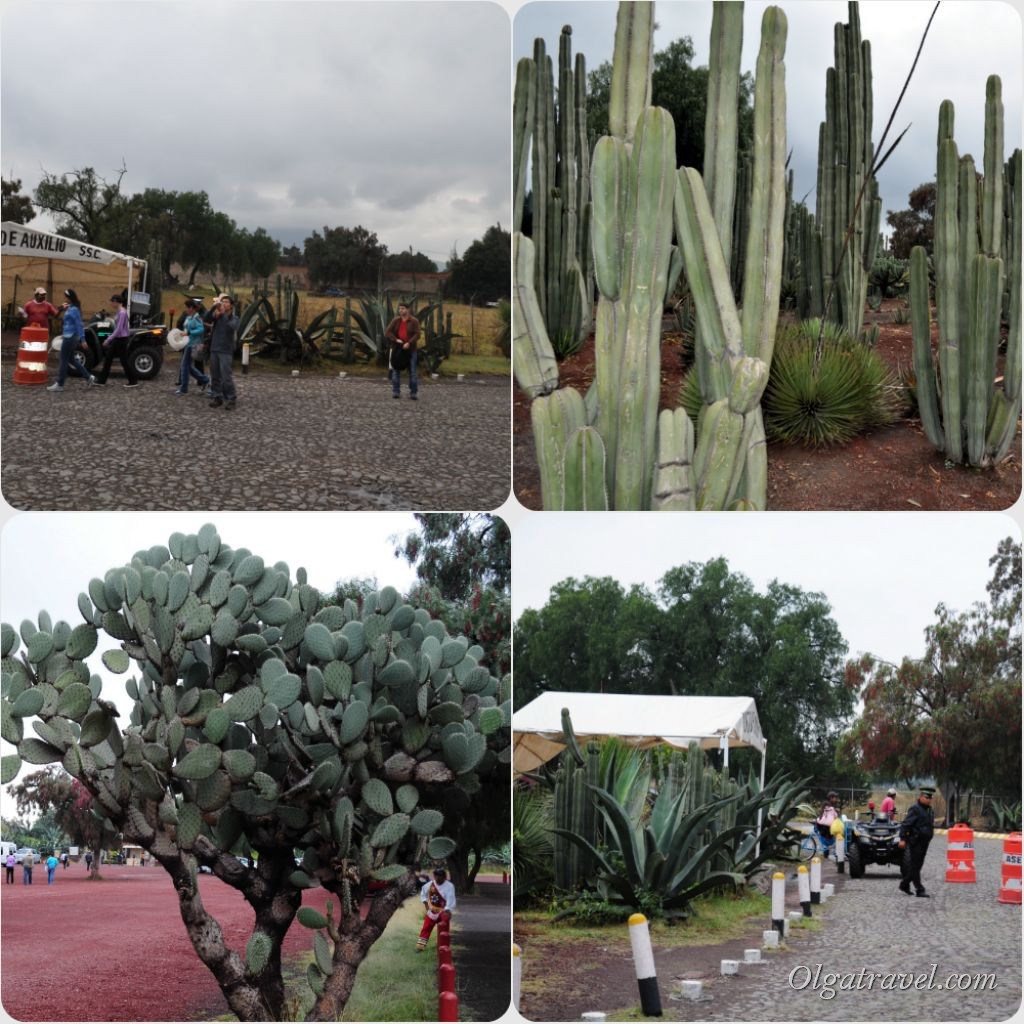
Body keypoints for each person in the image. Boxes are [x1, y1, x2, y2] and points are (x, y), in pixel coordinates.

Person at [47, 288, 96, 392]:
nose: (64, 298)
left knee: (63, 359)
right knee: (71, 360)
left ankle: (60, 384)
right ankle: (88, 377)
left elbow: (79, 325)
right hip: (69, 336)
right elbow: (59, 313)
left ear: (69, 298)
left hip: (70, 337)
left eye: (65, 297)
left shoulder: (74, 310)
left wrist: (83, 340)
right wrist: (62, 308)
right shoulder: (71, 308)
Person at [92, 293, 139, 387]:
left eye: (112, 302)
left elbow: (119, 329)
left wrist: (108, 339)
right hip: (119, 339)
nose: (111, 304)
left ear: (117, 302)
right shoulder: (119, 312)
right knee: (111, 359)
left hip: (121, 339)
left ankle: (132, 381)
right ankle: (102, 380)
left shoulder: (122, 313)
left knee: (121, 361)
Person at [898, 785, 935, 897]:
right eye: (926, 797)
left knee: (918, 866)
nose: (928, 799)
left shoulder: (929, 810)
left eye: (930, 798)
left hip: (925, 842)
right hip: (916, 842)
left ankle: (904, 884)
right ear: (921, 797)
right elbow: (906, 824)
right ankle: (920, 889)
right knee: (915, 866)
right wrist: (903, 839)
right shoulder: (915, 809)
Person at [208, 295, 239, 410]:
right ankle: (217, 397)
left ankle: (231, 399)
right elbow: (206, 319)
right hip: (214, 349)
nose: (224, 304)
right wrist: (213, 308)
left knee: (226, 377)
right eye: (222, 302)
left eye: (226, 302)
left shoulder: (234, 318)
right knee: (215, 376)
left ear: (231, 305)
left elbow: (231, 327)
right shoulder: (217, 316)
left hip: (225, 351)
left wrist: (223, 314)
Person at [384, 303, 420, 400]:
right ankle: (396, 391)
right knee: (396, 370)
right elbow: (387, 332)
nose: (400, 310)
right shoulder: (396, 320)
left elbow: (417, 334)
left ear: (408, 310)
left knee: (412, 371)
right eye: (399, 308)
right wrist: (395, 340)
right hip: (398, 349)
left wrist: (409, 343)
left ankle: (413, 392)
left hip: (411, 350)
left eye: (403, 308)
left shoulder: (414, 321)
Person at [176, 299, 211, 395]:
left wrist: (189, 333)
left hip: (193, 344)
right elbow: (186, 328)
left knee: (185, 366)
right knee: (187, 367)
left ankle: (184, 389)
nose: (186, 309)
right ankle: (205, 380)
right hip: (188, 343)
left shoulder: (196, 318)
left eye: (187, 307)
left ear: (191, 308)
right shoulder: (189, 317)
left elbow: (201, 329)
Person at [416, 867, 456, 951]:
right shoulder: (430, 884)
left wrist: (448, 910)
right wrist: (425, 903)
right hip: (432, 911)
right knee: (426, 928)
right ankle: (420, 947)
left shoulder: (449, 886)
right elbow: (423, 893)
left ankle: (443, 947)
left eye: (440, 876)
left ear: (444, 877)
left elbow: (451, 898)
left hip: (444, 911)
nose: (438, 878)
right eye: (436, 875)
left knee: (443, 929)